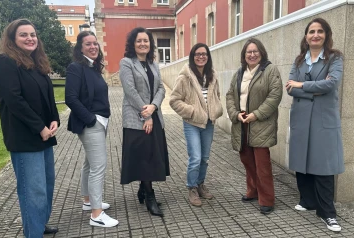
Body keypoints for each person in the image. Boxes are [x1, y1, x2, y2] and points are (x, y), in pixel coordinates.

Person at [0, 19, 59, 237]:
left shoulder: (36, 63)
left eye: (33, 34)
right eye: (23, 35)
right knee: (33, 190)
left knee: (47, 184)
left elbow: (47, 95)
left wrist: (54, 119)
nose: (30, 38)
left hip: (44, 134)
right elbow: (14, 100)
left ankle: (39, 223)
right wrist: (40, 127)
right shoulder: (5, 62)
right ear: (12, 39)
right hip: (24, 136)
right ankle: (33, 232)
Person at [285, 18, 344, 232]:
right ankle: (308, 200)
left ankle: (327, 213)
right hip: (301, 117)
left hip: (322, 119)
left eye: (320, 31)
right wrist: (314, 89)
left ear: (326, 35)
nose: (315, 35)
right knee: (302, 160)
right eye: (311, 31)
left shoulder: (334, 58)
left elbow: (331, 84)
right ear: (306, 36)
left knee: (323, 165)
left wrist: (302, 85)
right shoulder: (300, 60)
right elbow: (289, 88)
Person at [65, 31, 119, 228]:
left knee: (89, 164)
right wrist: (90, 120)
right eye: (88, 44)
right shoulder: (76, 68)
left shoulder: (93, 68)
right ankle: (97, 214)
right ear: (80, 48)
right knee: (99, 167)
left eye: (95, 43)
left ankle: (88, 201)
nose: (93, 47)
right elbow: (70, 98)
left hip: (99, 122)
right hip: (91, 123)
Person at [226, 38, 283, 215]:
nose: (252, 55)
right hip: (242, 122)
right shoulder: (239, 73)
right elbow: (229, 95)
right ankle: (253, 190)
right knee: (247, 160)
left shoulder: (270, 70)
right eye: (248, 52)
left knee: (262, 164)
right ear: (244, 55)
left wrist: (256, 114)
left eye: (255, 51)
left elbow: (275, 96)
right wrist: (235, 113)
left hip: (260, 123)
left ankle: (267, 199)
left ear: (261, 52)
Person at [119, 27, 169, 217]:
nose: (143, 44)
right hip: (136, 118)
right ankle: (150, 196)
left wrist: (154, 107)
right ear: (133, 43)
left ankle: (143, 188)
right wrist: (145, 115)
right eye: (139, 41)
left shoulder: (154, 64)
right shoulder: (126, 63)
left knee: (151, 155)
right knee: (143, 157)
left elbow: (162, 89)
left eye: (146, 41)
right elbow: (130, 91)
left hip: (154, 116)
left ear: (150, 44)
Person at [170, 43, 223, 207]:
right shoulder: (185, 77)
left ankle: (200, 184)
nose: (201, 57)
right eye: (198, 54)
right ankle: (191, 188)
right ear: (192, 57)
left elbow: (217, 95)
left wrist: (216, 109)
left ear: (208, 57)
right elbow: (174, 100)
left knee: (205, 159)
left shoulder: (212, 75)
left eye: (204, 54)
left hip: (208, 123)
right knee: (195, 158)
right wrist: (192, 111)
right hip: (192, 122)